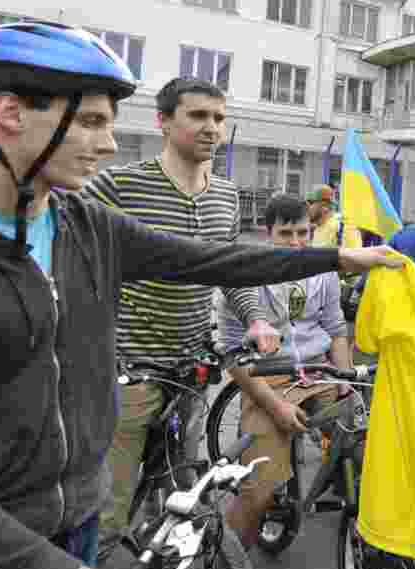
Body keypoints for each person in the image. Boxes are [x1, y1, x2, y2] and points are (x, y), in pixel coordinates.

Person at [0, 22, 400, 569]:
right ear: (9, 113)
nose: (108, 142)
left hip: (74, 532)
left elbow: (211, 259)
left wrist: (337, 256)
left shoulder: (84, 226)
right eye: (88, 121)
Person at [82, 77, 278, 533]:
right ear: (164, 122)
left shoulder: (226, 196)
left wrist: (256, 319)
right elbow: (62, 231)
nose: (212, 127)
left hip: (191, 372)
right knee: (109, 510)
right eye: (198, 116)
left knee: (177, 499)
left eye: (219, 118)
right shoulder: (121, 185)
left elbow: (229, 270)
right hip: (129, 372)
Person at [217, 194, 352, 549]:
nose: (296, 243)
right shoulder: (245, 273)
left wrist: (345, 382)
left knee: (361, 445)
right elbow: (233, 357)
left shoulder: (323, 271)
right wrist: (275, 406)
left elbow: (337, 330)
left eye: (304, 233)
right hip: (265, 377)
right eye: (286, 234)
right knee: (257, 493)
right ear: (267, 232)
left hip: (317, 370)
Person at [307, 184, 361, 249]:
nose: (307, 207)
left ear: (324, 206)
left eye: (311, 203)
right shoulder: (317, 227)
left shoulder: (344, 227)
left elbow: (355, 254)